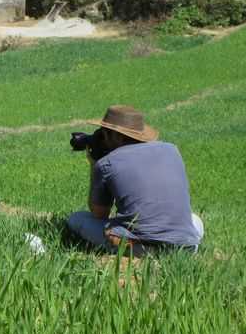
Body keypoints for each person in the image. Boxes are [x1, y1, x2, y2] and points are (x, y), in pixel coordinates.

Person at [66, 105, 204, 256]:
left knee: (77, 218)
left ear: (118, 136)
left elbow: (100, 213)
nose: (101, 137)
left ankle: (141, 253)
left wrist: (94, 164)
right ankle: (181, 251)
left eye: (104, 133)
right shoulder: (172, 150)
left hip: (137, 248)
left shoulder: (107, 163)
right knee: (195, 220)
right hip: (184, 246)